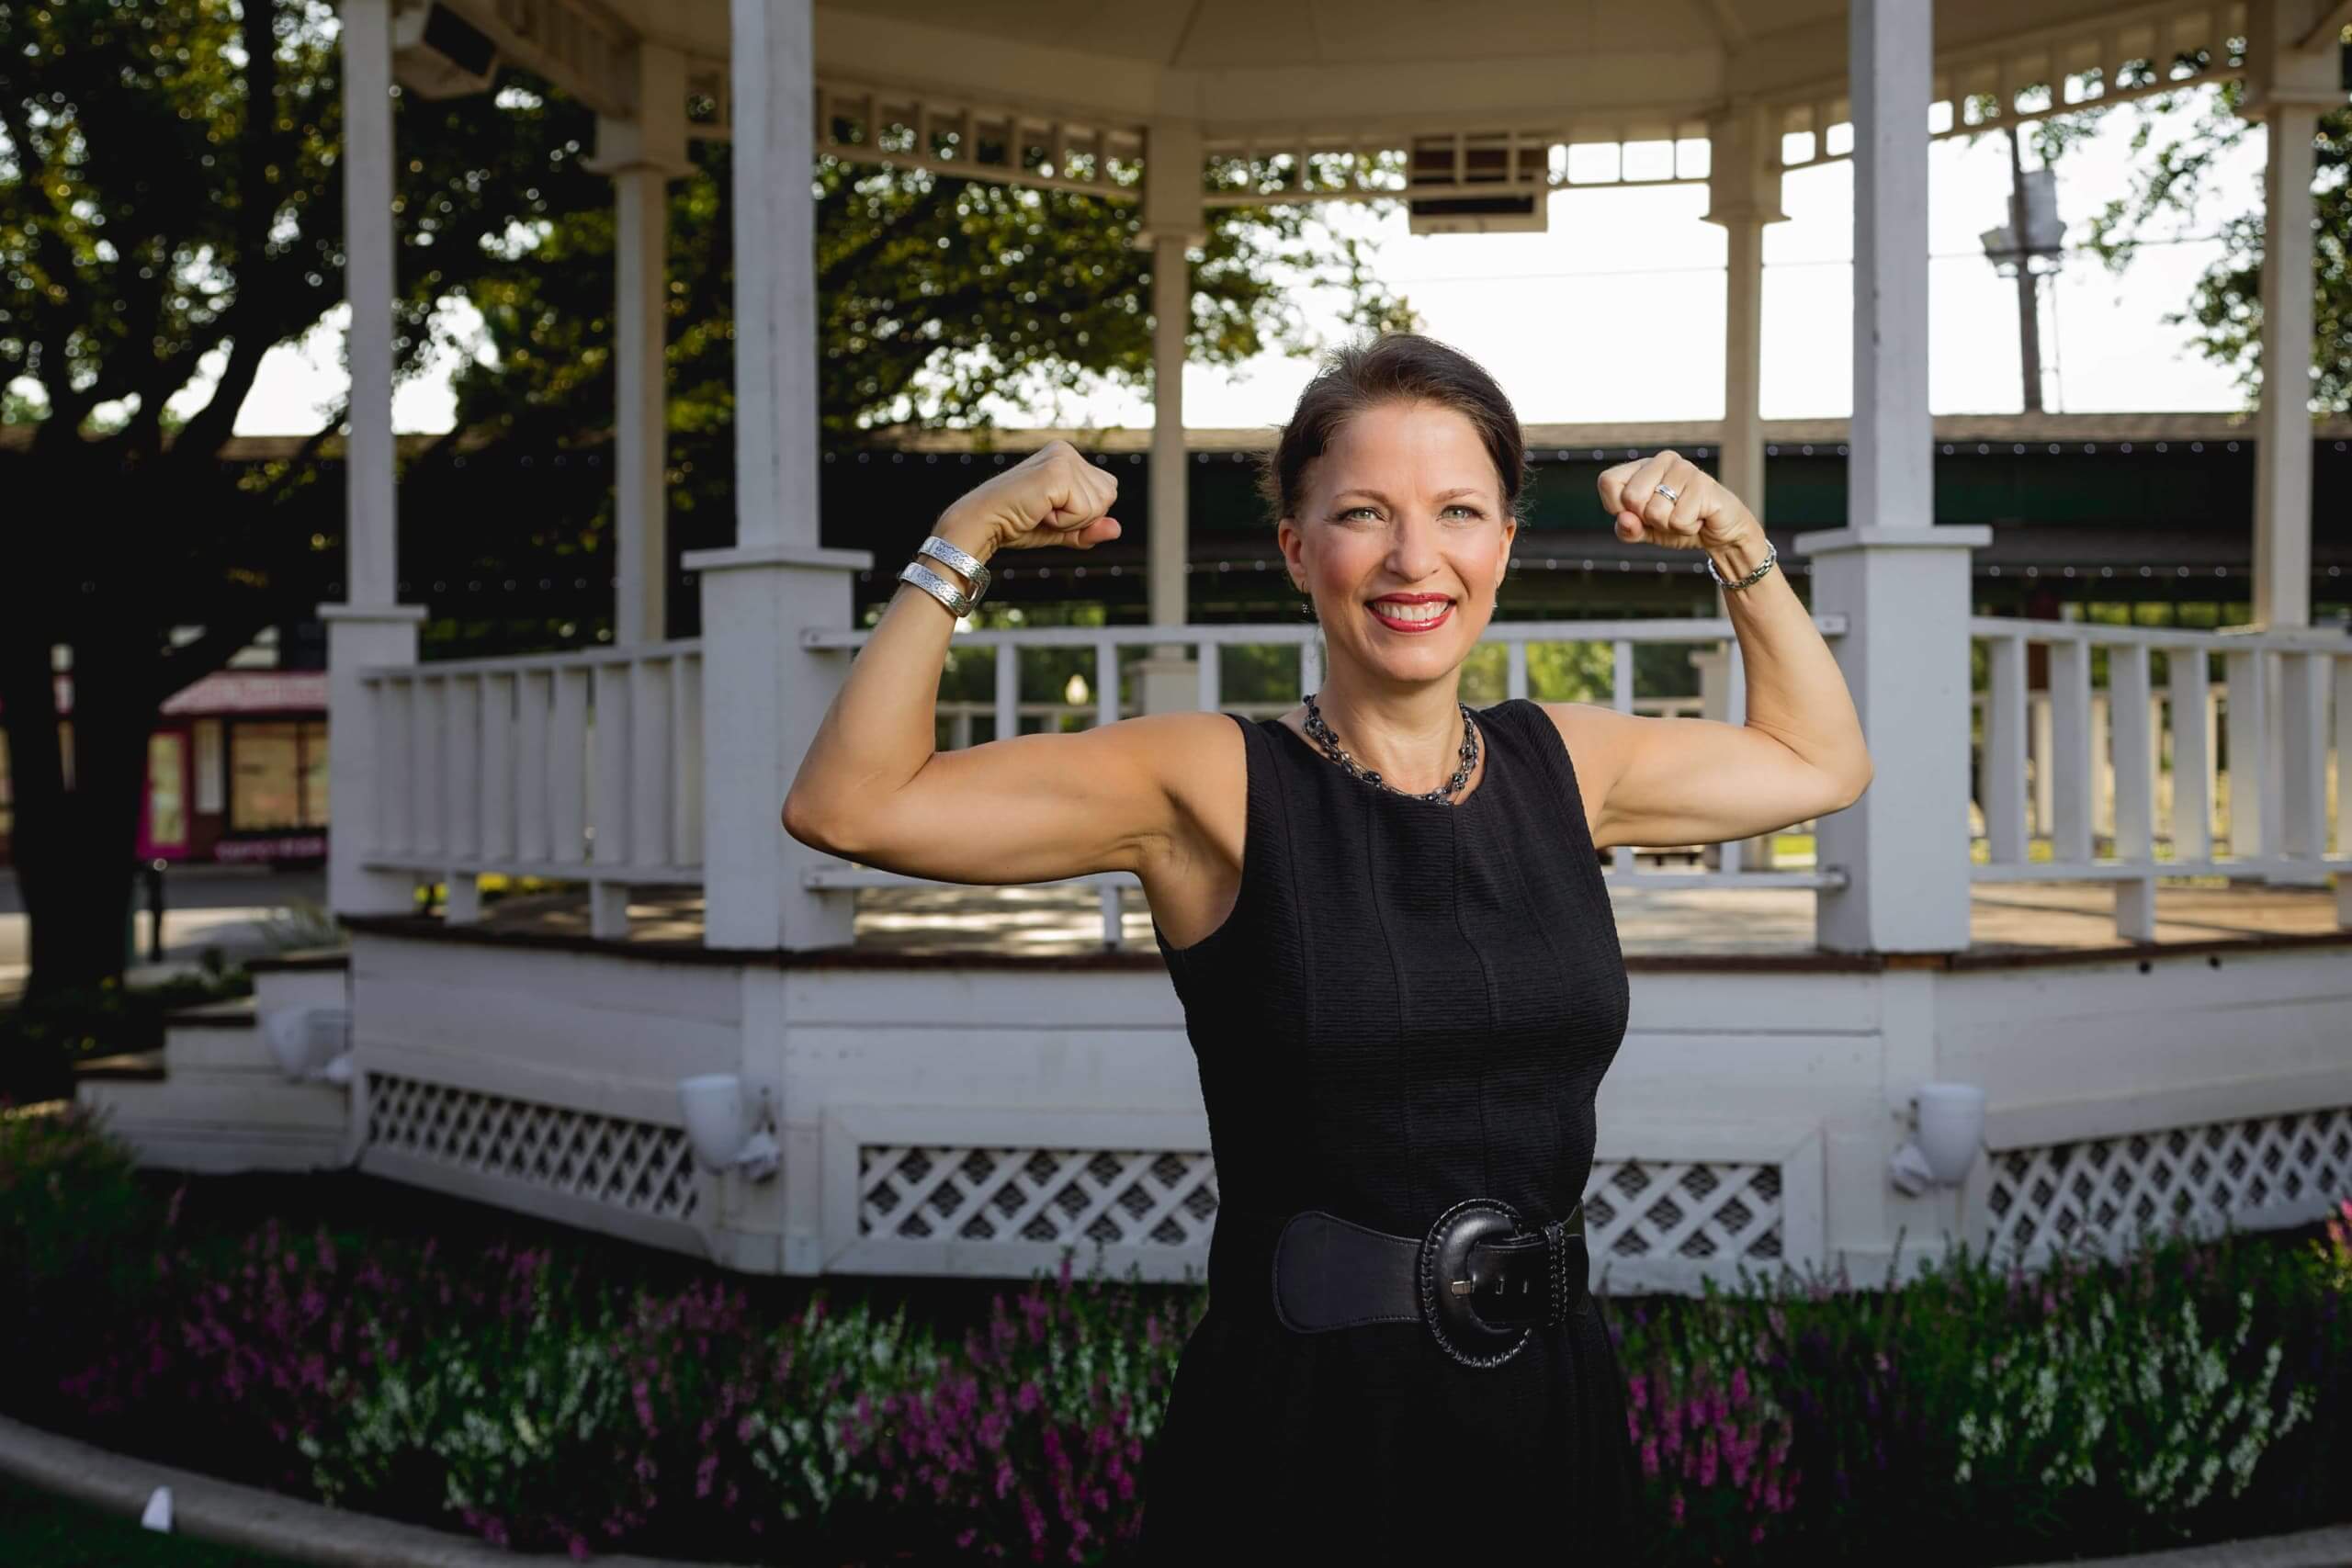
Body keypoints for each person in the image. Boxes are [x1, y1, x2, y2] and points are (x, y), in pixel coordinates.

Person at [780, 333, 1871, 1558]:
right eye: (1364, 513)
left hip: (1552, 1409)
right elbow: (852, 805)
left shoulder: (1567, 763)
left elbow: (1821, 760)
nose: (1417, 558)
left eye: (1458, 511)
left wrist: (1739, 547)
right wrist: (963, 535)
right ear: (1298, 548)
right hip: (1310, 1438)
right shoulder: (1209, 781)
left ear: (1503, 544)